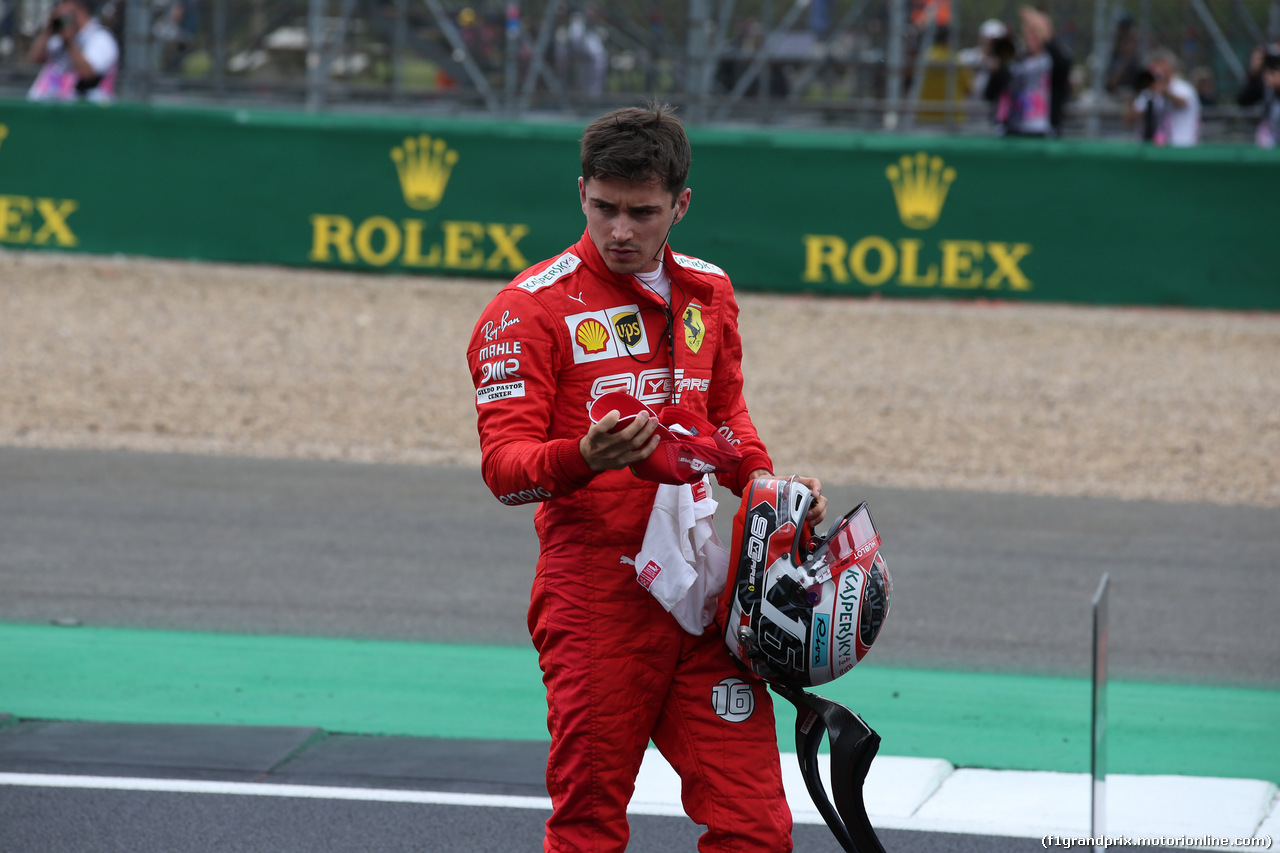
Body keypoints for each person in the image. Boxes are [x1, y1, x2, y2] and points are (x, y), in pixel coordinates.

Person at [466, 104, 828, 853]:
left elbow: (727, 418)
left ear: (680, 206)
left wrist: (772, 489)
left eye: (642, 212)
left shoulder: (710, 291)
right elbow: (504, 472)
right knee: (589, 825)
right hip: (596, 596)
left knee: (756, 827)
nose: (621, 230)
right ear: (581, 194)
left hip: (706, 602)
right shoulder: (524, 310)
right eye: (605, 208)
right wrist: (583, 458)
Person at [983, 5, 1072, 137]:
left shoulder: (1056, 60)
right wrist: (997, 70)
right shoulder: (1015, 60)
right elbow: (989, 94)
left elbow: (1062, 65)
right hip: (1012, 132)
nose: (1033, 35)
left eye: (1036, 30)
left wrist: (1039, 25)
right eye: (1029, 30)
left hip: (1044, 134)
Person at [26, 0, 118, 103]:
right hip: (47, 104)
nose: (61, 9)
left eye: (65, 4)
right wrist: (49, 29)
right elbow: (32, 60)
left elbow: (88, 74)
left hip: (86, 109)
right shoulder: (58, 38)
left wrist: (69, 42)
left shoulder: (101, 38)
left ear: (81, 9)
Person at [1128, 50, 1200, 147]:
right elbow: (1130, 119)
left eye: (1160, 65)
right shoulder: (1149, 90)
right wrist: (1137, 90)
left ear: (1171, 68)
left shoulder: (1183, 87)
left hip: (1182, 146)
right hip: (1156, 147)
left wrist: (1165, 92)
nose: (1157, 70)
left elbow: (1182, 102)